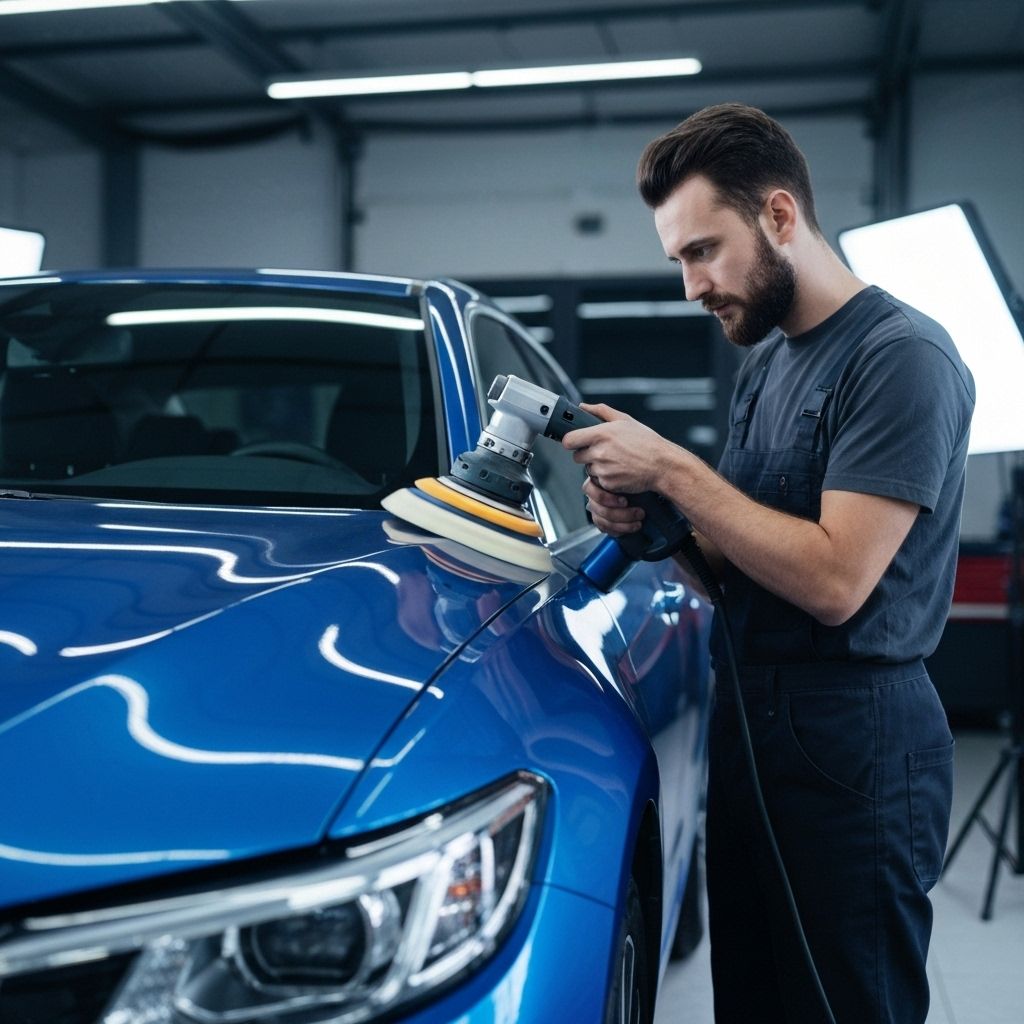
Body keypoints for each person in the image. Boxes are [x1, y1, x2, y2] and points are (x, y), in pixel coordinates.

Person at [562, 103, 975, 1023]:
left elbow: (835, 582)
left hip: (855, 749)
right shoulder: (771, 364)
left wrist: (673, 465)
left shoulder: (900, 359)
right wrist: (652, 523)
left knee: (842, 1005)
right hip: (753, 730)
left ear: (779, 217)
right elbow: (739, 564)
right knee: (752, 1000)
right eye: (677, 258)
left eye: (702, 250)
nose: (689, 287)